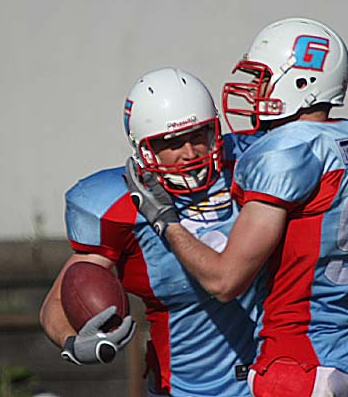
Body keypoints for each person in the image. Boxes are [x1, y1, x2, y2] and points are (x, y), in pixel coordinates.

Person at [126, 18, 348, 397]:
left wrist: (165, 221)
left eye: (262, 78)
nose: (253, 91)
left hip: (298, 362)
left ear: (302, 83)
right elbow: (325, 221)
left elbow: (225, 281)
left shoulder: (286, 149)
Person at [39, 67, 267, 397]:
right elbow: (58, 300)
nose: (190, 152)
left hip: (275, 377)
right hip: (185, 388)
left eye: (198, 135)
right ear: (145, 149)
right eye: (172, 142)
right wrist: (72, 342)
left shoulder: (254, 167)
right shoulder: (119, 205)